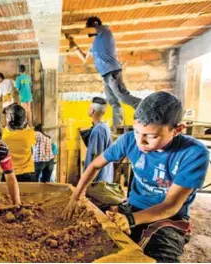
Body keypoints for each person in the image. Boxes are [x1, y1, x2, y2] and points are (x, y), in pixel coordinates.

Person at [63, 92, 209, 262]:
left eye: (151, 136)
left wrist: (130, 220)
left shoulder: (193, 153)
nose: (141, 142)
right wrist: (76, 196)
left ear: (177, 130)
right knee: (84, 236)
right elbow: (95, 164)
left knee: (159, 257)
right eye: (137, 132)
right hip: (131, 207)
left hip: (169, 218)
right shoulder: (129, 140)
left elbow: (171, 206)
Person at [67, 16, 141, 126]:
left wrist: (68, 31)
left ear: (94, 25)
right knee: (113, 101)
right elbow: (84, 58)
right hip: (106, 75)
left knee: (122, 96)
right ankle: (117, 126)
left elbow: (86, 30)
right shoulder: (95, 44)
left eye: (88, 28)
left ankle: (144, 106)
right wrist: (73, 44)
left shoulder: (105, 30)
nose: (88, 32)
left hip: (112, 72)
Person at [2, 104, 36, 182]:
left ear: (8, 119)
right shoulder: (30, 133)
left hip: (8, 173)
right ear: (23, 119)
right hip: (27, 174)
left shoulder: (2, 135)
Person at [84, 97, 114, 183]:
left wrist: (88, 180)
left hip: (97, 180)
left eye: (89, 108)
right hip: (104, 176)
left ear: (92, 111)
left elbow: (96, 157)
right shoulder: (105, 126)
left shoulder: (98, 130)